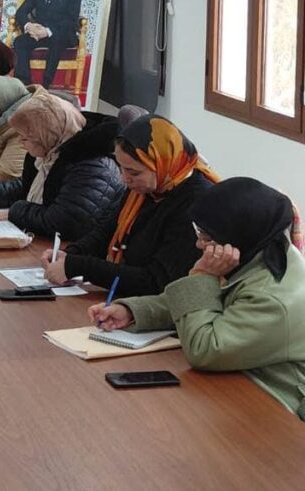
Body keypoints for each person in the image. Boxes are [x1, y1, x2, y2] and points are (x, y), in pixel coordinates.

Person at [89, 178, 305, 421]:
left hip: (275, 407)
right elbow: (202, 301)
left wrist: (203, 276)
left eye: (207, 238)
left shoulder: (271, 297)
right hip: (235, 381)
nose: (198, 244)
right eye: (199, 233)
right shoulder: (255, 253)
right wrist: (132, 311)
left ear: (238, 236)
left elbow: (205, 349)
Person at [41, 114, 220, 296]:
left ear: (163, 164)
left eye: (134, 172)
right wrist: (70, 255)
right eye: (121, 168)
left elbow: (156, 281)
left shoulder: (196, 204)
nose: (124, 179)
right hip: (124, 296)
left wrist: (79, 266)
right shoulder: (149, 188)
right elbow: (108, 231)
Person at [0, 88, 125, 240]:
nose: (21, 143)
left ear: (45, 136)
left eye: (25, 138)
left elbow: (64, 222)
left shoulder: (90, 165)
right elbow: (27, 187)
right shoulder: (50, 153)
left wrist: (14, 212)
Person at [13, 0, 83, 87]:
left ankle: (46, 85)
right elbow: (21, 12)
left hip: (62, 34)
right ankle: (24, 83)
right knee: (20, 42)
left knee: (57, 40)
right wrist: (29, 26)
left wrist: (47, 31)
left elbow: (71, 18)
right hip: (38, 33)